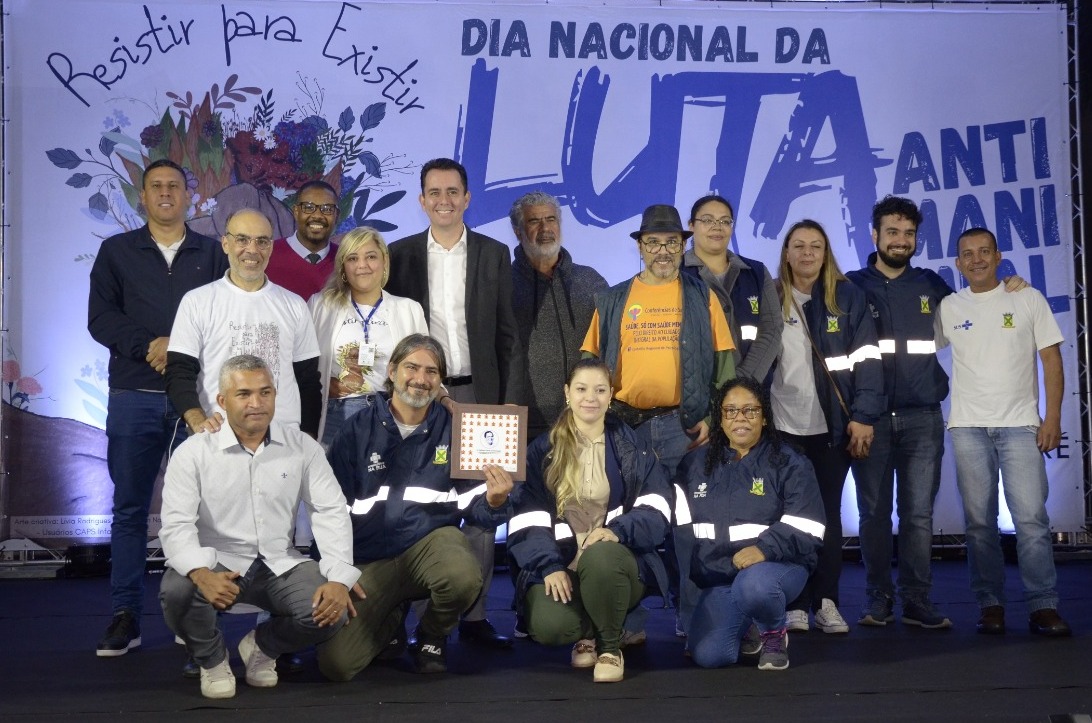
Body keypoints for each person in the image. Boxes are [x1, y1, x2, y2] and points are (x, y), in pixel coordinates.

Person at [87, 158, 229, 657]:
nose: (166, 193)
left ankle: (192, 610)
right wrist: (150, 344)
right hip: (134, 396)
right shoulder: (116, 251)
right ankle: (126, 614)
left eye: (174, 186)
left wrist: (180, 348)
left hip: (197, 399)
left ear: (188, 196)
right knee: (129, 509)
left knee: (202, 510)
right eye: (156, 186)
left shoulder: (213, 253)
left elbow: (226, 316)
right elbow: (101, 318)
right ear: (142, 197)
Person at [158, 355, 361, 699]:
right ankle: (212, 660)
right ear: (222, 400)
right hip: (219, 561)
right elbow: (177, 523)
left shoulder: (302, 446)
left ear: (275, 395)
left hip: (279, 561)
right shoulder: (193, 452)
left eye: (265, 392)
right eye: (244, 394)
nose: (257, 403)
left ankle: (263, 647)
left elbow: (330, 511)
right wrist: (199, 572)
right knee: (177, 589)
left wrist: (340, 577)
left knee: (332, 609)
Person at [385, 158, 526, 648]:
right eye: (434, 192)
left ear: (467, 198)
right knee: (423, 502)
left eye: (452, 192)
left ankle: (474, 616)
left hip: (478, 396)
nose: (443, 200)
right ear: (421, 200)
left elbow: (509, 336)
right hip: (420, 396)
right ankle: (426, 620)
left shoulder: (493, 253)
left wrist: (507, 406)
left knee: (485, 503)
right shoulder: (400, 255)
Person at [318, 334, 515, 680]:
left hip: (429, 549)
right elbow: (328, 513)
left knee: (461, 574)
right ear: (392, 371)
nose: (421, 379)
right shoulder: (356, 430)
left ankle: (431, 635)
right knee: (336, 665)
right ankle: (390, 620)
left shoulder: (458, 430)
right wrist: (337, 573)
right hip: (369, 560)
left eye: (431, 371)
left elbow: (477, 511)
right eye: (412, 367)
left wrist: (495, 501)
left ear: (440, 381)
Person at [935, 227, 1071, 637]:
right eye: (967, 254)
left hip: (1020, 425)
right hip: (967, 427)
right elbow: (918, 349)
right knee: (980, 524)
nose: (976, 259)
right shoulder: (948, 307)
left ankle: (1043, 606)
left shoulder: (1027, 298)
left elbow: (1051, 360)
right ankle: (990, 605)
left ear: (998, 257)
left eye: (984, 252)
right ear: (958, 263)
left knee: (1031, 520)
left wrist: (1052, 418)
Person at [507, 359, 672, 683]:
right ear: (567, 393)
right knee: (551, 626)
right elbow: (527, 517)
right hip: (563, 561)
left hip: (616, 560)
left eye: (600, 390)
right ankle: (608, 623)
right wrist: (549, 565)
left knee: (601, 557)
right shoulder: (541, 450)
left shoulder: (633, 447)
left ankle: (609, 647)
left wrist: (617, 532)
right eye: (581, 389)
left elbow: (657, 508)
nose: (590, 398)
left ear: (610, 396)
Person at [844, 196, 954, 629]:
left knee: (918, 516)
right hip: (869, 420)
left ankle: (916, 600)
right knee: (873, 515)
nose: (901, 240)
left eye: (909, 233)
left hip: (923, 418)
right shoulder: (851, 285)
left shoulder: (932, 284)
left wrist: (1010, 287)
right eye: (892, 231)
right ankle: (878, 599)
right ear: (875, 235)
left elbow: (977, 313)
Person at [771, 219, 884, 634]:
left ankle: (826, 602)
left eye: (815, 246)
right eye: (798, 246)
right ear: (786, 253)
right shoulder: (770, 297)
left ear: (825, 253)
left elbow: (868, 361)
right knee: (787, 518)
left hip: (832, 429)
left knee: (828, 518)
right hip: (781, 429)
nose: (807, 253)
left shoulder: (848, 297)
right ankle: (795, 604)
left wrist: (863, 416)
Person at [677, 377, 825, 670]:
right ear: (720, 418)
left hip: (778, 568)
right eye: (731, 410)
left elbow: (809, 526)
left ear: (764, 417)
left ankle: (773, 635)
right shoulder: (695, 465)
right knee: (710, 656)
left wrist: (764, 549)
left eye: (750, 410)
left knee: (755, 586)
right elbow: (681, 533)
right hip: (722, 576)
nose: (740, 418)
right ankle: (749, 627)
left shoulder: (789, 462)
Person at [165, 208, 322, 438]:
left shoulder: (295, 305)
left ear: (271, 247)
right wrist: (198, 420)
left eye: (262, 241)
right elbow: (179, 371)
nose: (252, 250)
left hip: (283, 438)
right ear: (225, 244)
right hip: (218, 436)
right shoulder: (197, 302)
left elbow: (308, 381)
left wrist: (307, 440)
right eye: (242, 239)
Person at [308, 226, 428, 447]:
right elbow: (304, 366)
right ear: (343, 266)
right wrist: (324, 383)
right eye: (353, 258)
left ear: (384, 261)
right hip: (336, 416)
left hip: (392, 415)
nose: (362, 265)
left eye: (371, 257)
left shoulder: (409, 310)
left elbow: (425, 369)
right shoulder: (320, 306)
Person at [510, 191, 608, 440]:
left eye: (551, 219)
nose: (545, 229)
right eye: (534, 221)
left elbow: (611, 347)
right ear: (518, 231)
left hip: (584, 421)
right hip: (523, 424)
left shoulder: (591, 281)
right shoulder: (502, 285)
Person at [683, 194, 783, 384]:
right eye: (707, 220)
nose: (717, 227)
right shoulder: (676, 273)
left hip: (750, 389)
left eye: (725, 221)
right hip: (695, 389)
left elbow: (771, 329)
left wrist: (743, 382)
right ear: (691, 226)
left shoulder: (756, 272)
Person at [265, 180, 341, 300]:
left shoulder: (346, 260)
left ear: (336, 215)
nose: (317, 215)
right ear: (296, 212)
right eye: (308, 207)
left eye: (327, 209)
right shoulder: (267, 254)